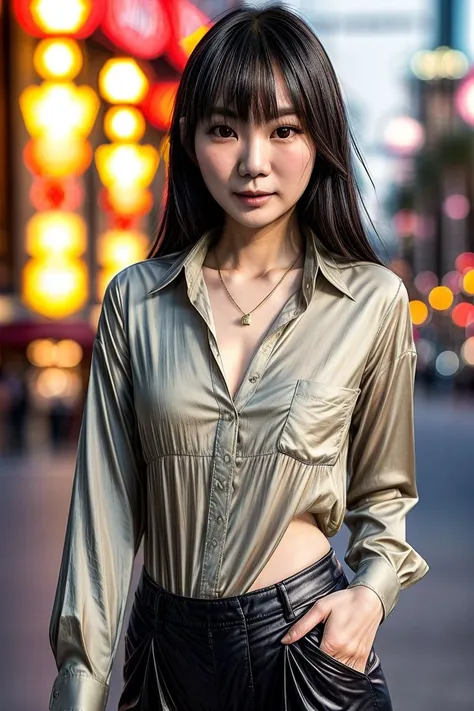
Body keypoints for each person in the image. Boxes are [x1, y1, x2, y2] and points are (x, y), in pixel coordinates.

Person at [48, 5, 429, 710]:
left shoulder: (372, 301)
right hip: (164, 658)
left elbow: (384, 497)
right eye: (224, 129)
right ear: (189, 138)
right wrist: (77, 689)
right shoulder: (136, 300)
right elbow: (100, 523)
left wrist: (368, 599)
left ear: (320, 139)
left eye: (284, 129)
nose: (253, 161)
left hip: (309, 651)